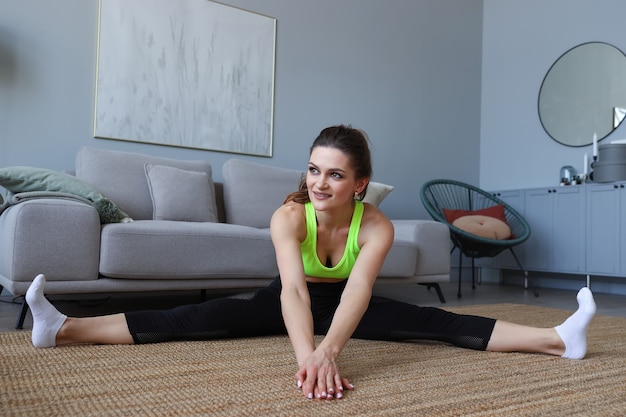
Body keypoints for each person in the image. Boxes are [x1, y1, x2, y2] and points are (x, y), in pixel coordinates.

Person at [25, 125, 596, 401]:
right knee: (191, 321)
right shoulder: (288, 217)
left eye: (336, 174)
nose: (319, 183)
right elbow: (294, 293)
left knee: (435, 324)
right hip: (287, 297)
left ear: (360, 183)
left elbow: (355, 295)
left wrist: (330, 350)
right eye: (313, 170)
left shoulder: (376, 225)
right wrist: (310, 360)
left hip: (345, 301)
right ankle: (64, 327)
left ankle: (558, 338)